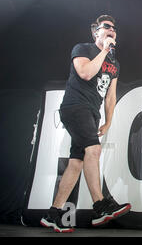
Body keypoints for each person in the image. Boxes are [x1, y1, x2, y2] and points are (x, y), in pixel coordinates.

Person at [40, 15, 131, 233]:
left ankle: (52, 214)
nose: (111, 30)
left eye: (114, 29)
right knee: (94, 150)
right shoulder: (83, 49)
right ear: (95, 32)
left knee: (76, 163)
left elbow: (111, 95)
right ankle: (100, 207)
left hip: (92, 114)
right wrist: (103, 51)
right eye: (106, 27)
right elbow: (86, 73)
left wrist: (108, 121)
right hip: (75, 107)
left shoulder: (115, 64)